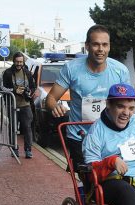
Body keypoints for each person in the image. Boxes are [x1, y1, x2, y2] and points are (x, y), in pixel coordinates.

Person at [46, 24, 130, 172]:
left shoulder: (120, 70)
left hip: (110, 135)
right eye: (96, 44)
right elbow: (51, 98)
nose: (101, 50)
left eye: (105, 45)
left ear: (109, 46)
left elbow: (128, 103)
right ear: (87, 46)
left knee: (115, 177)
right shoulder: (72, 69)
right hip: (80, 136)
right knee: (89, 181)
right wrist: (55, 106)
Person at [0, 51, 36, 158]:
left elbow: (33, 86)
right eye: (17, 62)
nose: (19, 64)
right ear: (13, 61)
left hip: (25, 104)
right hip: (12, 104)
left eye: (21, 62)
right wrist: (14, 91)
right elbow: (1, 88)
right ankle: (14, 149)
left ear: (23, 61)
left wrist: (28, 91)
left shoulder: (27, 73)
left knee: (27, 127)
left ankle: (28, 150)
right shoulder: (7, 73)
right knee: (13, 127)